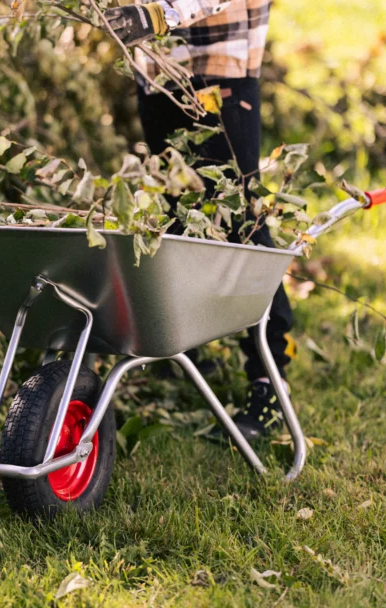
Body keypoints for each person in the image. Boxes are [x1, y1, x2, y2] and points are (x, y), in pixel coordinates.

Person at [105, 0, 294, 443]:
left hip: (220, 67)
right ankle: (190, 357)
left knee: (242, 226)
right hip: (158, 70)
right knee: (178, 219)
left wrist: (160, 14)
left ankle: (269, 381)